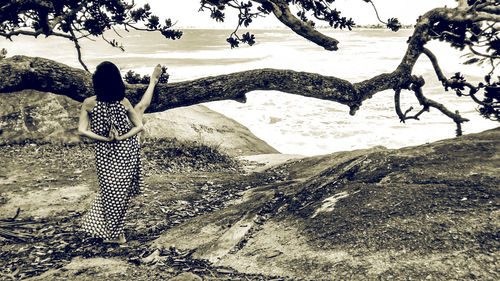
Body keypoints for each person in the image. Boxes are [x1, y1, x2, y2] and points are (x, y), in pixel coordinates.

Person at [77, 61, 162, 243]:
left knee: (112, 192)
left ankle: (117, 235)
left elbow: (82, 130)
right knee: (115, 192)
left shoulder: (89, 103)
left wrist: (105, 138)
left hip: (106, 151)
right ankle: (153, 81)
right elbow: (139, 126)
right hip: (127, 148)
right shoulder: (123, 102)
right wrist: (121, 138)